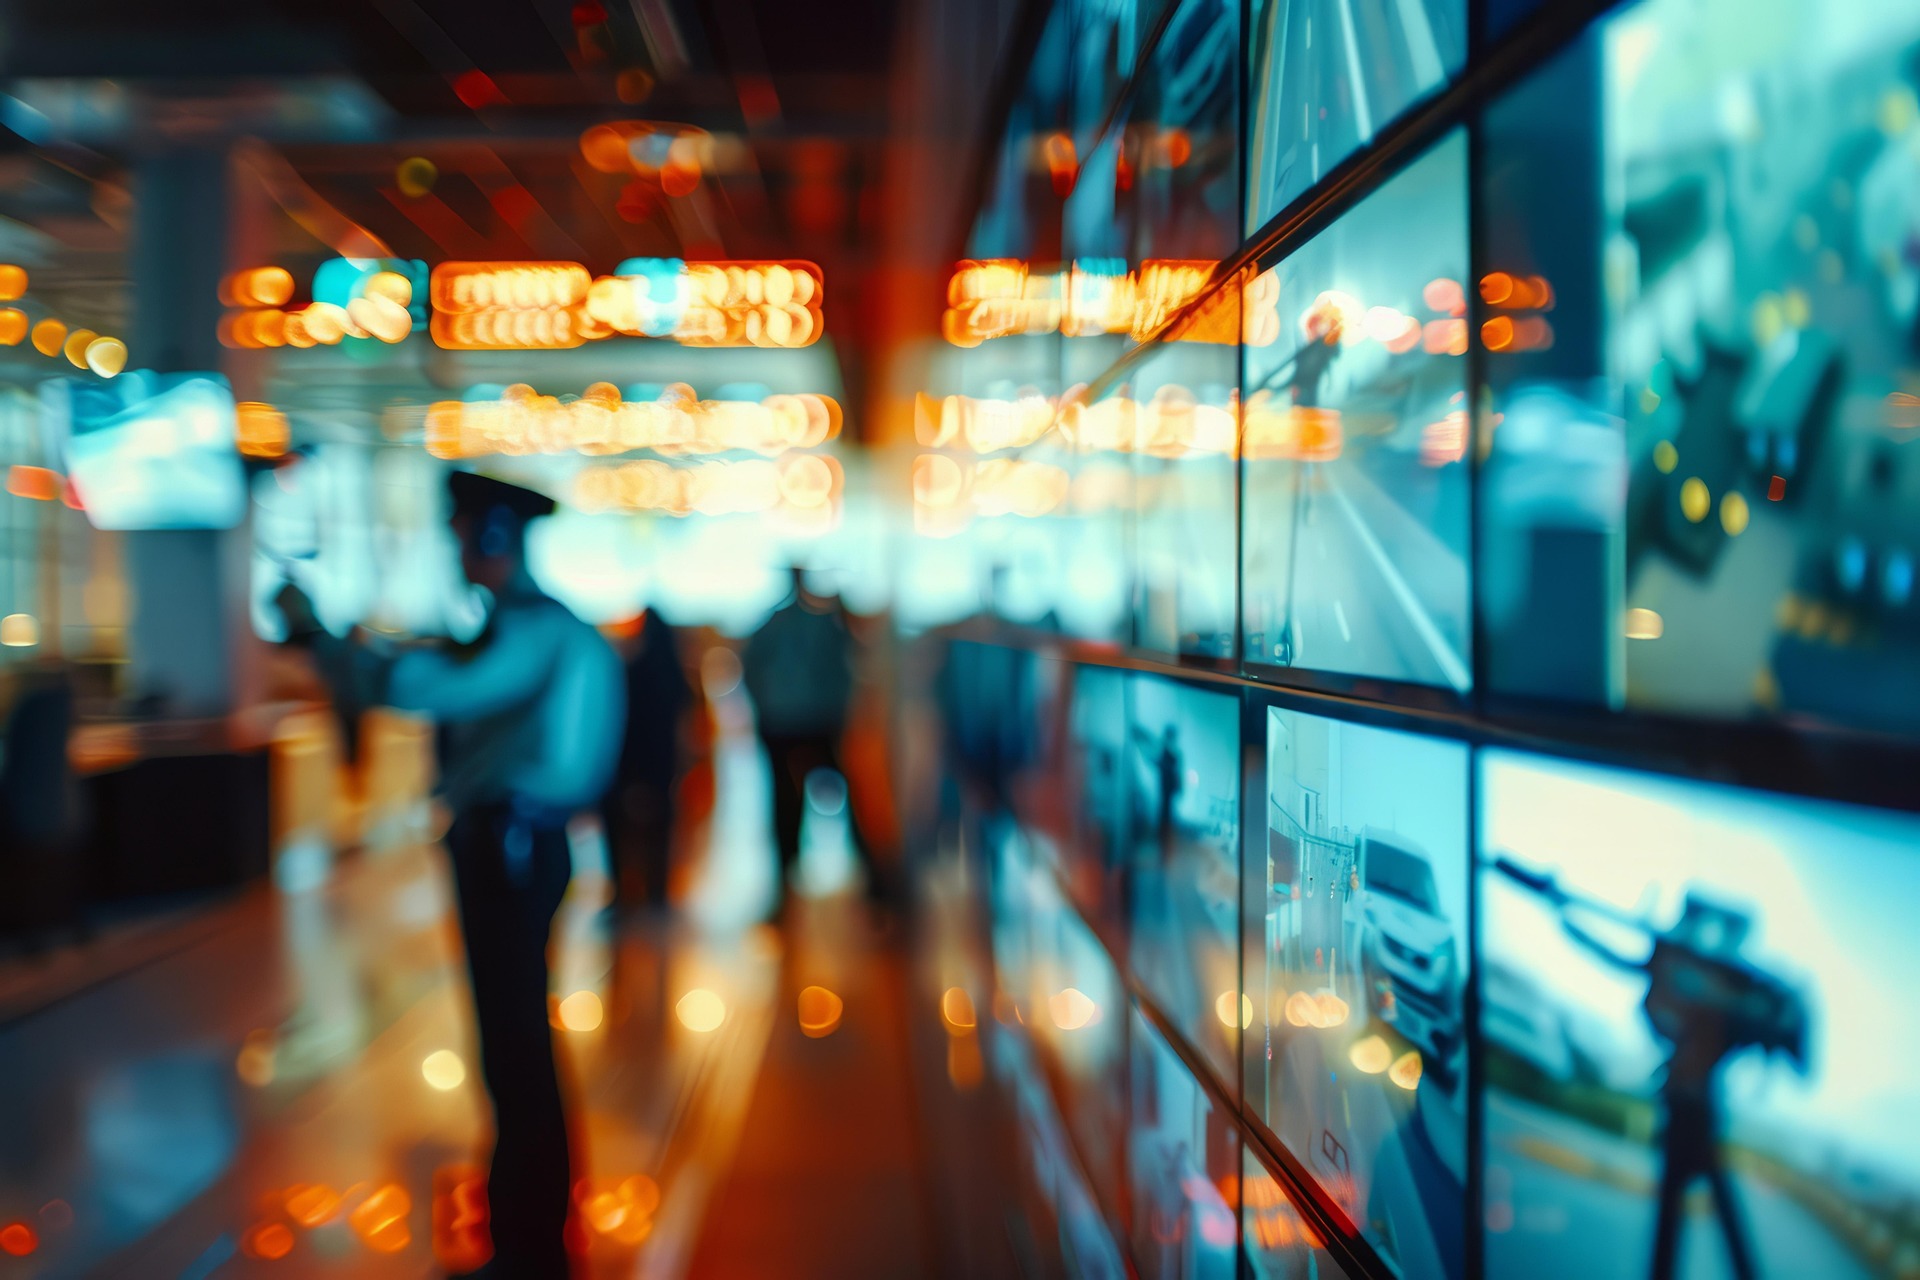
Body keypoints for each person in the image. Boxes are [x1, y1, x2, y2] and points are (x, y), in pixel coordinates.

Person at [278, 471, 623, 1279]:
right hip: (514, 845)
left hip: (512, 847)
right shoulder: (531, 625)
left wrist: (329, 642)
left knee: (515, 1049)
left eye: (470, 535)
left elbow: (426, 685)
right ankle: (527, 1240)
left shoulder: (533, 629)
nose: (462, 552)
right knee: (514, 1047)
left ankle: (530, 1249)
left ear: (497, 539)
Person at [740, 566, 882, 911]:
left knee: (794, 801)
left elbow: (752, 668)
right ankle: (794, 880)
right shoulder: (804, 623)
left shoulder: (802, 623)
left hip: (802, 722)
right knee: (796, 801)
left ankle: (869, 879)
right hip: (803, 722)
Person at [603, 607, 691, 910]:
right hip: (662, 760)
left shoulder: (631, 669)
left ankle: (622, 890)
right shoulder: (674, 674)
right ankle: (656, 891)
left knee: (618, 825)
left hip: (629, 757)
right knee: (659, 828)